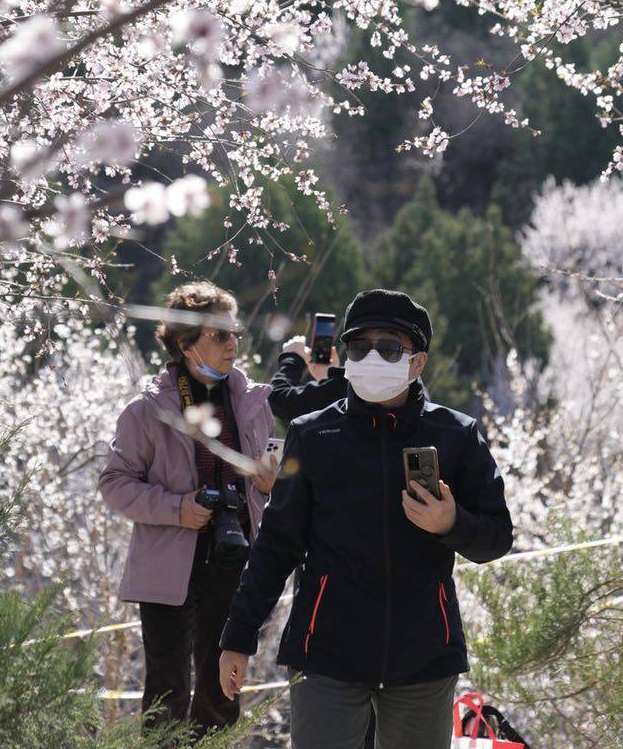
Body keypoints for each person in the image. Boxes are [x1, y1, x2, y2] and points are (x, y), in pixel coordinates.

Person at [218, 289, 515, 749]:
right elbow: (277, 545)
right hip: (326, 653)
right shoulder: (313, 434)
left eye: (390, 348)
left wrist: (452, 523)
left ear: (418, 362)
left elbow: (497, 537)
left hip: (424, 656)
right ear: (346, 358)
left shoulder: (456, 435)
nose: (373, 357)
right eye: (360, 347)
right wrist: (238, 635)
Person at [99, 281, 279, 740]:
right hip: (167, 564)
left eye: (234, 333)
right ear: (184, 345)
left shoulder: (253, 404)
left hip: (233, 557)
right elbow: (115, 484)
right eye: (219, 336)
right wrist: (179, 509)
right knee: (167, 692)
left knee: (224, 690)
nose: (232, 345)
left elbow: (267, 485)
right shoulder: (147, 410)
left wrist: (268, 485)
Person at [271, 332, 348, 421]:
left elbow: (279, 399)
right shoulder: (351, 386)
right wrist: (328, 379)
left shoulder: (349, 385)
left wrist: (291, 357)